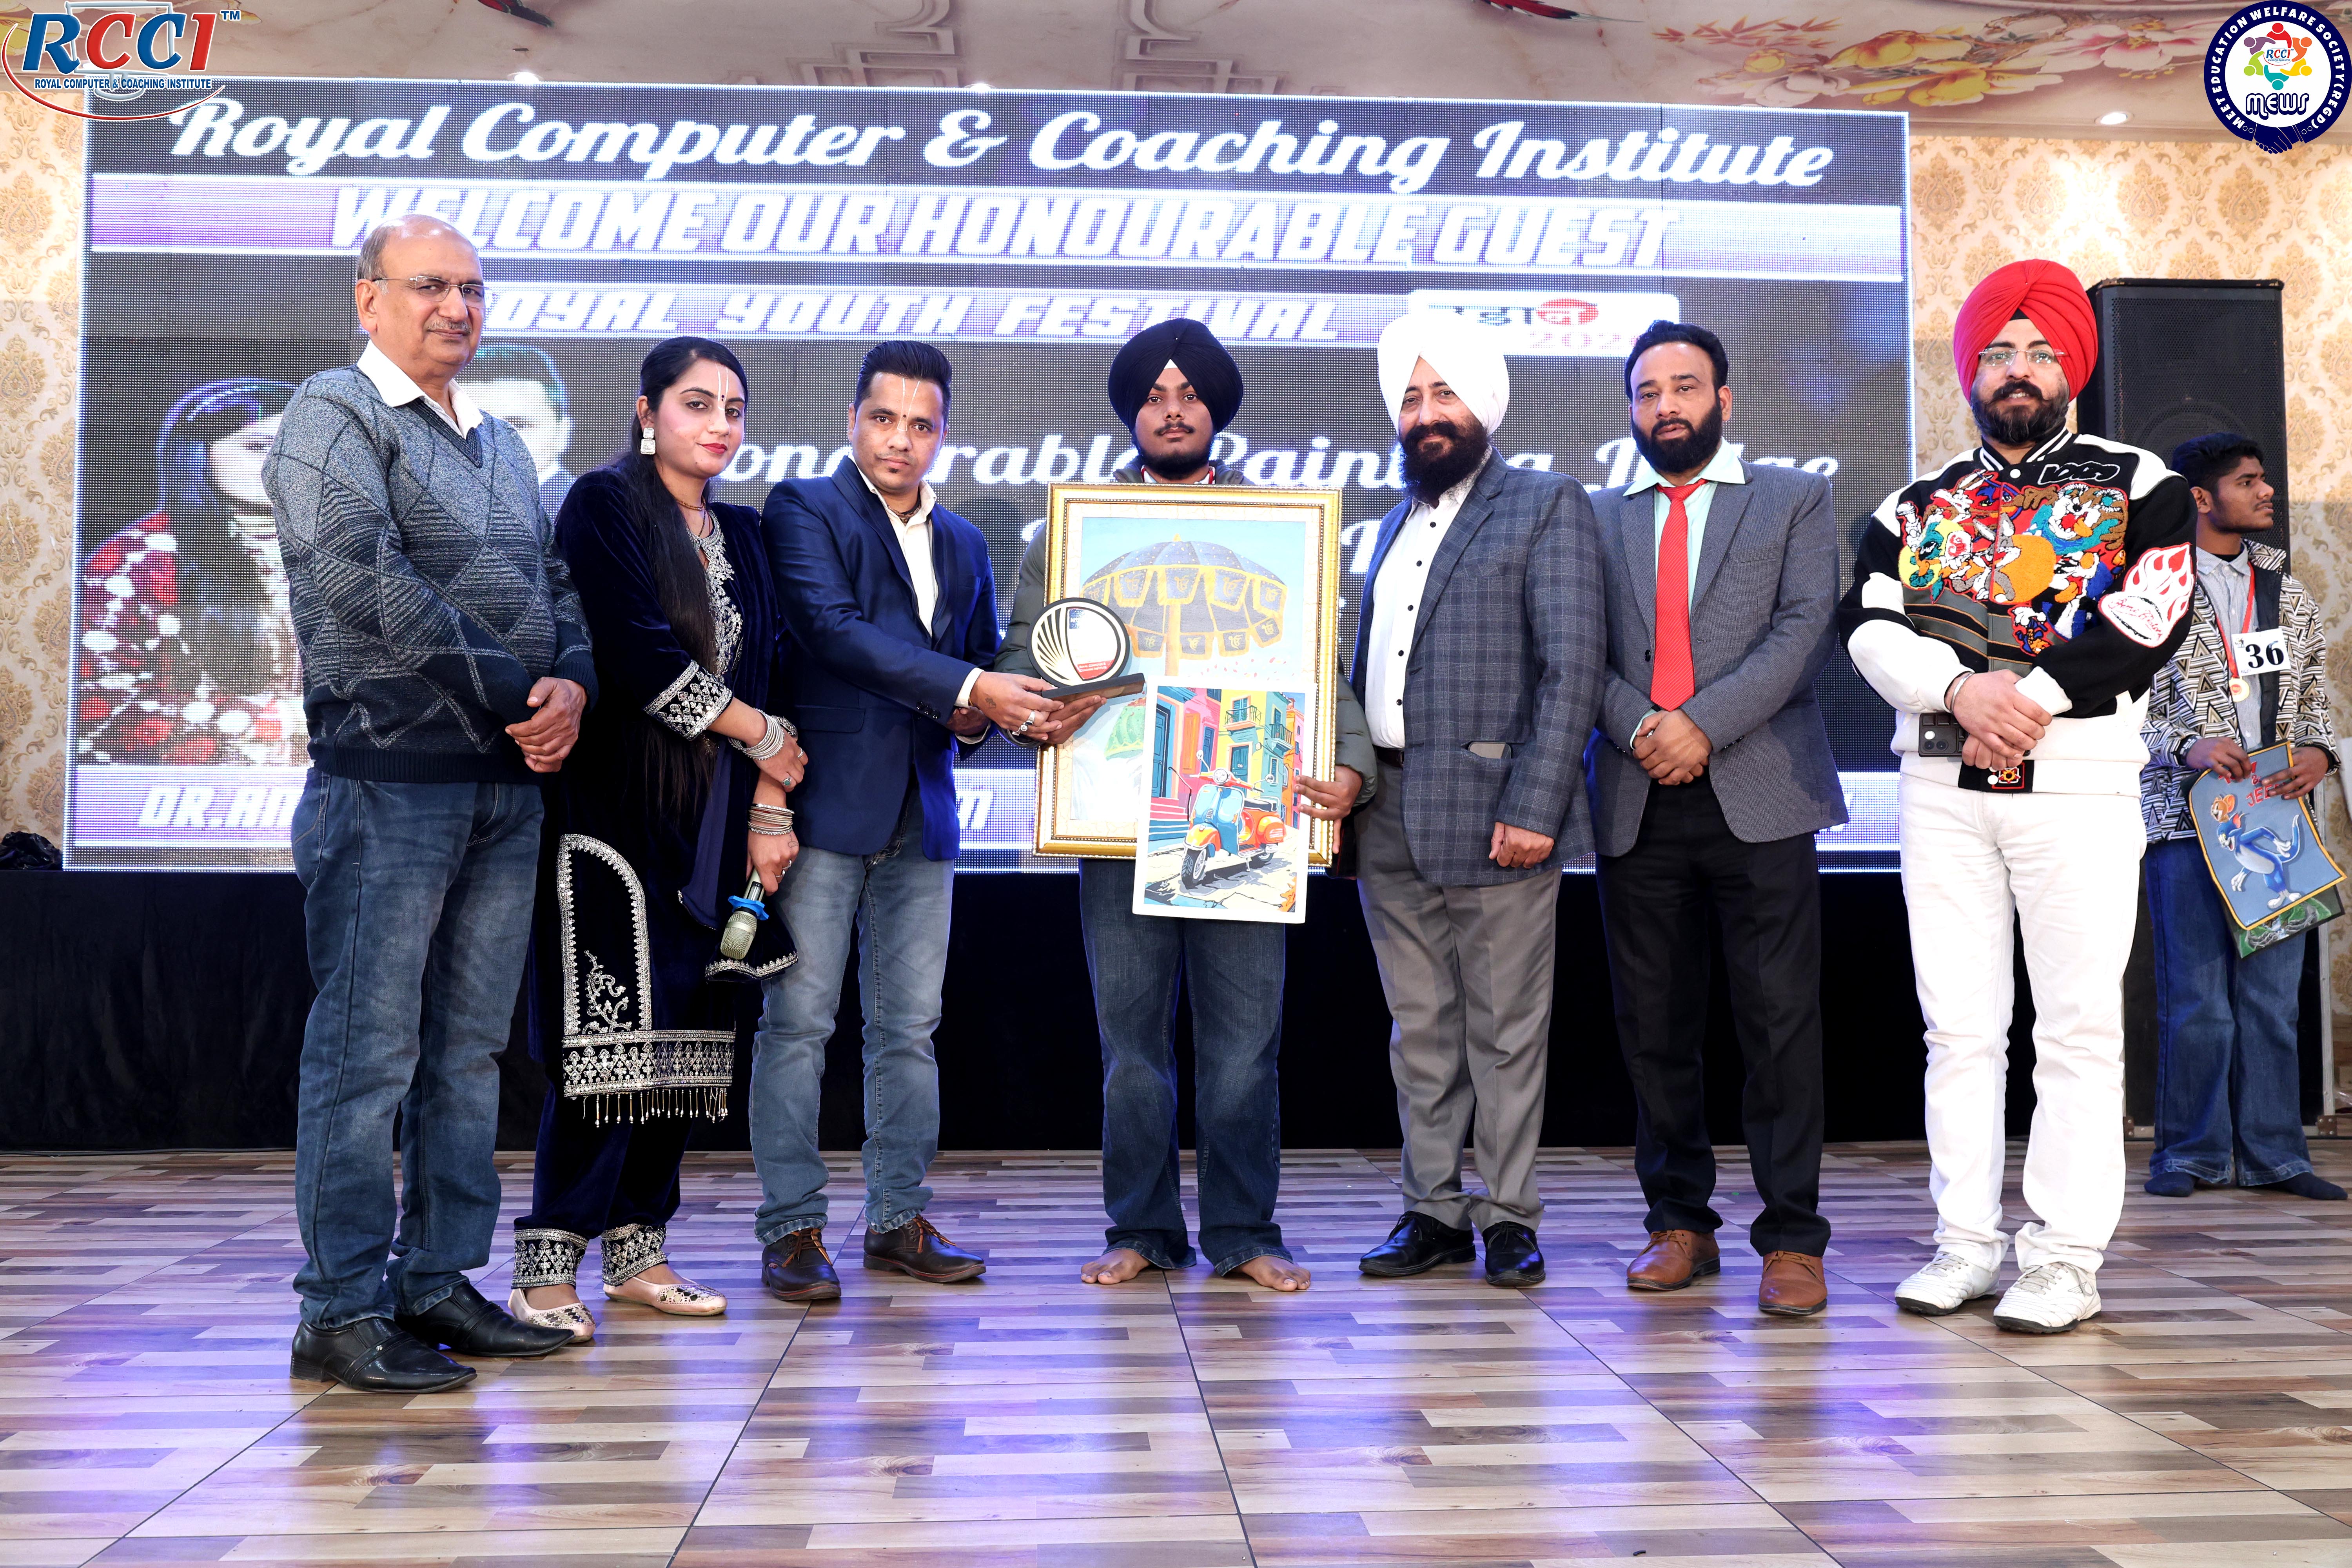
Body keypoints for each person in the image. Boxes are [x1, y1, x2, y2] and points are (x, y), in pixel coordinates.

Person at [264, 214, 596, 1392]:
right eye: (429, 285)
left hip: (504, 794)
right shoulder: (332, 413)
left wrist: (573, 682)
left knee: (466, 1057)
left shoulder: (499, 442)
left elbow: (555, 583)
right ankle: (340, 1308)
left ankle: (436, 1280)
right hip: (385, 787)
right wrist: (516, 691)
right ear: (369, 299)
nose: (456, 306)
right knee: (367, 1056)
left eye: (471, 288)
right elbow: (358, 573)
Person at [1838, 259, 2195, 1334]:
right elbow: (1868, 625)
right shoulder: (1914, 504)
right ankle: (1964, 1243)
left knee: (2078, 1030)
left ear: (2072, 366)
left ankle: (2065, 1258)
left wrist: (2024, 699)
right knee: (1958, 1030)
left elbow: (2152, 612)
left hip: (2077, 786)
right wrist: (1960, 691)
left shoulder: (2140, 483)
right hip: (1941, 786)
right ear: (1970, 371)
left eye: (2040, 351)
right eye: (1998, 352)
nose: (2019, 369)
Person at [993, 318, 1376, 1294]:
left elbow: (1322, 670)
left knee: (1245, 1049)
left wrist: (1351, 767)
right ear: (1132, 413)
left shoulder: (1282, 528)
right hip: (1117, 818)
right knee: (1131, 1050)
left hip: (1241, 810)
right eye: (1155, 397)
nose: (1173, 412)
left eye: (1190, 395)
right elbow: (1022, 665)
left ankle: (1245, 1230)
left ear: (1216, 411)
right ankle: (1143, 1227)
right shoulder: (1071, 534)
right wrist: (1039, 711)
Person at [505, 337, 809, 1343]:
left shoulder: (746, 532)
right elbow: (634, 654)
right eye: (696, 403)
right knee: (608, 1043)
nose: (719, 424)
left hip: (714, 824)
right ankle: (549, 1262)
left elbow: (775, 670)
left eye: (734, 408)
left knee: (688, 1040)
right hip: (613, 819)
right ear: (648, 411)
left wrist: (770, 803)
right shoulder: (603, 504)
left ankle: (641, 1251)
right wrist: (760, 734)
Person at [752, 340, 1058, 1301]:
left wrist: (980, 713)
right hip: (823, 804)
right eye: (884, 419)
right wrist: (972, 688)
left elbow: (976, 668)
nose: (900, 440)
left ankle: (896, 1218)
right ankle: (792, 1227)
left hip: (924, 810)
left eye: (921, 425)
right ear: (852, 420)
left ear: (943, 435)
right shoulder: (803, 506)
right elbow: (834, 633)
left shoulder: (965, 541)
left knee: (909, 1031)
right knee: (798, 1025)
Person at [1586, 320, 1846, 1317]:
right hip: (1637, 795)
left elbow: (1804, 631)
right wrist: (1641, 727)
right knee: (1655, 1028)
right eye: (1647, 392)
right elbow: (1577, 648)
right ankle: (1678, 1223)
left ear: (1723, 400)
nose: (1666, 406)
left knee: (1779, 1025)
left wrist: (1700, 724)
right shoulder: (1594, 516)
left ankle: (1792, 1238)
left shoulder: (1793, 496)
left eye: (1685, 387)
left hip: (1761, 793)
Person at [1350, 312, 1605, 1290]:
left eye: (1445, 393)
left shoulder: (1545, 502)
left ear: (1484, 405)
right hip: (1388, 808)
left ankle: (1508, 1215)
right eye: (1412, 397)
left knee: (1505, 1033)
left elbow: (1573, 665)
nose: (1427, 414)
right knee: (1419, 1032)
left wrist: (1538, 802)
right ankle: (1432, 1210)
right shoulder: (1389, 523)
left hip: (1501, 812)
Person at [2139, 434, 2341, 1202]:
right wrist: (2185, 745)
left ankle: (2276, 1156)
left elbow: (2313, 694)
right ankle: (2188, 1155)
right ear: (2200, 497)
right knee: (2199, 1003)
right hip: (2187, 821)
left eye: (2264, 479)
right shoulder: (2148, 591)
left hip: (2279, 819)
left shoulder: (2286, 594)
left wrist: (2319, 752)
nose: (2266, 492)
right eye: (2248, 481)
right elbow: (2115, 711)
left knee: (2272, 1001)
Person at [77, 378, 308, 766]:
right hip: (186, 788)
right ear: (199, 454)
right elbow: (99, 708)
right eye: (257, 446)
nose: (279, 465)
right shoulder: (138, 560)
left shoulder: (344, 546)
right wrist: (272, 721)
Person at [461, 343, 578, 515]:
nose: (495, 442)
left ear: (562, 434)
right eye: (475, 423)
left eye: (520, 425)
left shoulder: (589, 508)